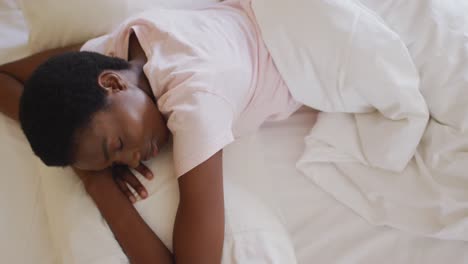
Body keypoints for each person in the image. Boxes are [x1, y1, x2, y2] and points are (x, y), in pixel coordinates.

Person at [0, 0, 316, 263]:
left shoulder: (195, 100)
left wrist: (99, 186)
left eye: (118, 145)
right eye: (115, 162)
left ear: (112, 83)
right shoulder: (125, 46)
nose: (134, 160)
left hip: (310, 48)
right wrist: (89, 162)